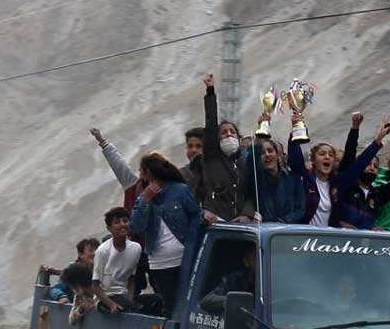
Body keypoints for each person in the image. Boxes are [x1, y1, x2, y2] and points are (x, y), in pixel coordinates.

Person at [130, 152, 204, 317]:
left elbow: (196, 215)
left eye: (141, 171)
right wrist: (146, 200)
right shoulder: (143, 197)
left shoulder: (180, 190)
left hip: (184, 258)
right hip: (159, 263)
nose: (140, 175)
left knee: (191, 303)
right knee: (171, 307)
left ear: (148, 172)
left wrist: (191, 243)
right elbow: (136, 227)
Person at [287, 113, 390, 227]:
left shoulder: (338, 183)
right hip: (302, 237)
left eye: (331, 155)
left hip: (327, 241)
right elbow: (295, 158)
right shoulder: (305, 179)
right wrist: (295, 130)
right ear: (313, 160)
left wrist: (377, 141)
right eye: (322, 154)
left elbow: (359, 165)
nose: (327, 157)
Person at [90, 128, 153, 294]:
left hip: (155, 249)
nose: (145, 174)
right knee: (131, 282)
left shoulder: (164, 190)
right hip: (131, 247)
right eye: (143, 170)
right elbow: (118, 164)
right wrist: (103, 142)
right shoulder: (133, 184)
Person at [199, 73, 255, 222]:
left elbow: (251, 194)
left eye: (232, 132)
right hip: (215, 220)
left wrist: (246, 214)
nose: (229, 135)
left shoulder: (245, 164)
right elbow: (210, 125)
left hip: (240, 223)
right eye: (224, 133)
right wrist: (210, 91)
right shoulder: (212, 158)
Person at [92, 207, 162, 316]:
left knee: (157, 300)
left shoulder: (136, 248)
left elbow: (131, 278)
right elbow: (95, 287)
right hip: (105, 298)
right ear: (109, 228)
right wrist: (111, 305)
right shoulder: (103, 251)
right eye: (116, 222)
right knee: (136, 309)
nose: (122, 225)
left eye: (125, 221)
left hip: (123, 295)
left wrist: (130, 299)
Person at [247, 118, 305, 223]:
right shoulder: (257, 179)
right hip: (264, 230)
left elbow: (300, 209)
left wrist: (284, 220)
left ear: (278, 154)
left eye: (270, 151)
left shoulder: (293, 179)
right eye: (263, 153)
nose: (267, 155)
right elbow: (251, 159)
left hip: (286, 230)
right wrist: (261, 129)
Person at [200, 245, 256, 313]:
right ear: (246, 262)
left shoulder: (269, 283)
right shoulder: (235, 280)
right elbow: (206, 301)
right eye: (255, 259)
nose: (259, 264)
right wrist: (232, 300)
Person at [43, 238, 100, 304]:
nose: (94, 253)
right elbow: (55, 289)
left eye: (97, 250)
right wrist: (61, 297)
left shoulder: (101, 270)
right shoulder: (73, 271)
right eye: (91, 250)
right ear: (80, 254)